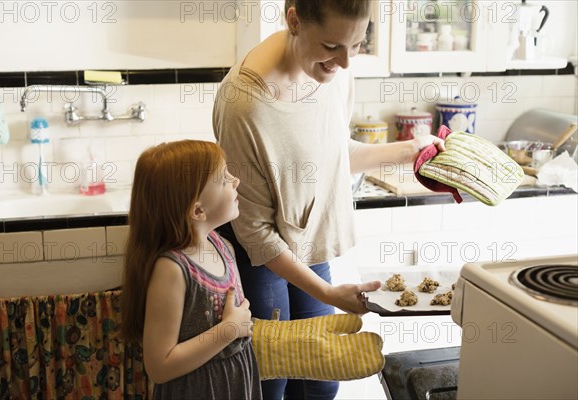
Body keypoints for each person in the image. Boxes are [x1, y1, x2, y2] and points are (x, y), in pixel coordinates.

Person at [213, 0, 446, 399]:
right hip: (259, 255)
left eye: (357, 45)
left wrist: (409, 150)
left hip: (309, 241)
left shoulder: (332, 72)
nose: (345, 61)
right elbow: (256, 233)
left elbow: (335, 155)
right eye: (333, 46)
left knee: (322, 381)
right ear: (294, 20)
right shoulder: (243, 103)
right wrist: (329, 294)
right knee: (272, 379)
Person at [120, 140, 262, 399]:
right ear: (198, 210)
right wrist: (228, 329)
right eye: (223, 179)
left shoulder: (223, 247)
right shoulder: (171, 270)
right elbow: (159, 366)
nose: (236, 181)